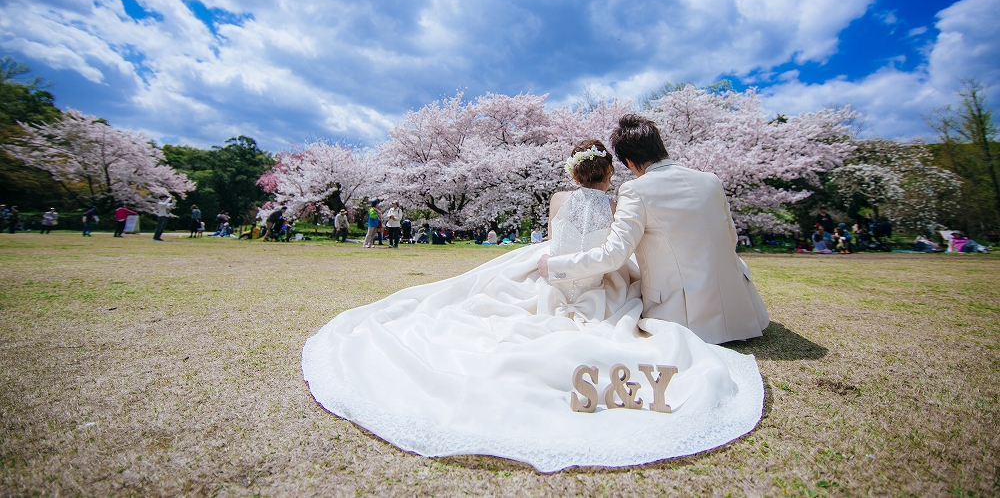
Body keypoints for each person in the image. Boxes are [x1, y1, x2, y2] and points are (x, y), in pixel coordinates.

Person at [303, 137, 765, 471]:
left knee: (505, 287)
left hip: (559, 272)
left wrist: (558, 264)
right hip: (607, 279)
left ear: (573, 172)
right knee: (617, 297)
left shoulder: (564, 198)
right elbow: (617, 252)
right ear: (612, 171)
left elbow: (561, 239)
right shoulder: (628, 197)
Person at [538, 115, 769, 345]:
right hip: (739, 311)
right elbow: (730, 238)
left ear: (628, 161)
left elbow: (613, 255)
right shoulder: (711, 180)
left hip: (685, 318)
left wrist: (555, 266)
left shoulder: (635, 190)